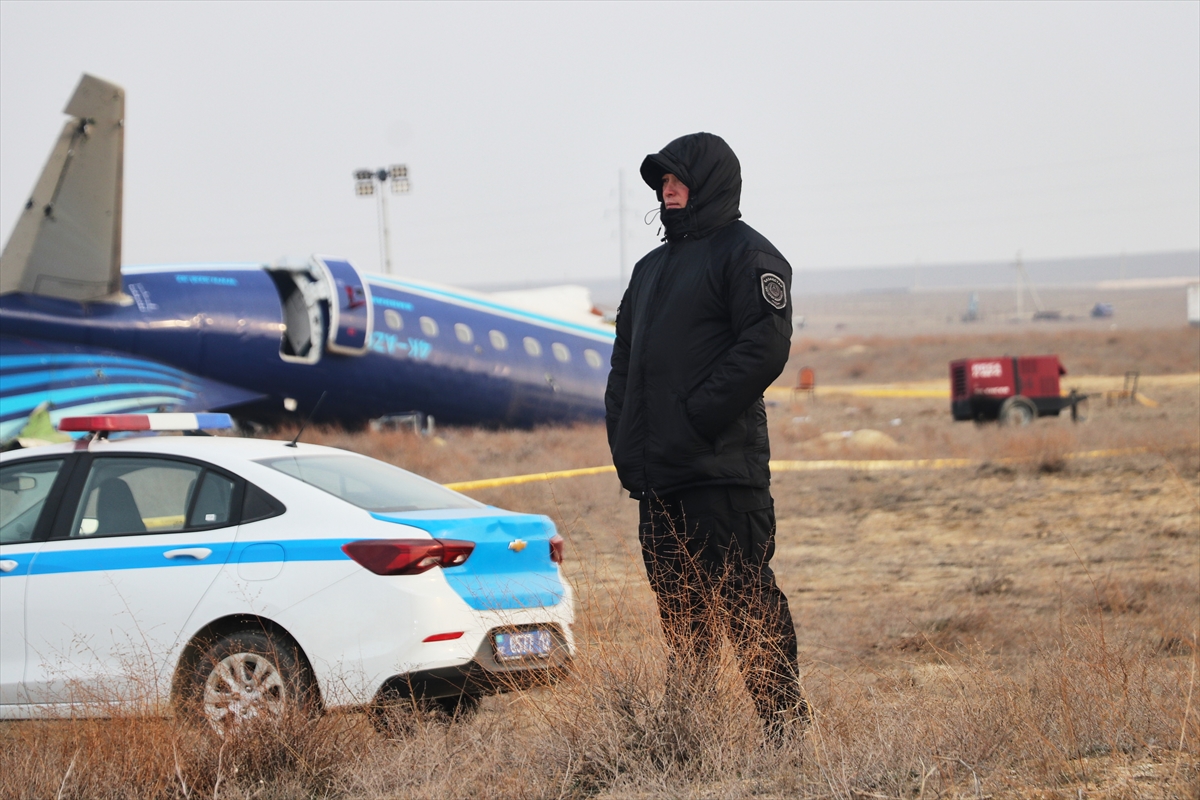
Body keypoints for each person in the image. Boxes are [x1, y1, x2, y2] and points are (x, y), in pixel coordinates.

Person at [605, 132, 807, 740]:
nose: (667, 189)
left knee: (747, 603)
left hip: (721, 474)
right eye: (661, 181)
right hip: (658, 477)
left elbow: (764, 347)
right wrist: (624, 438)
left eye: (677, 178)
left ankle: (787, 737)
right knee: (682, 617)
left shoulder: (748, 255)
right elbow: (623, 364)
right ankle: (689, 739)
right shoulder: (648, 271)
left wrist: (695, 418)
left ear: (708, 181)